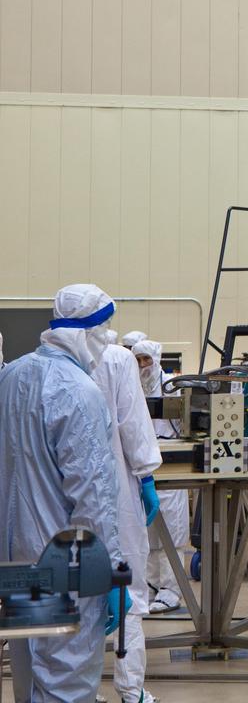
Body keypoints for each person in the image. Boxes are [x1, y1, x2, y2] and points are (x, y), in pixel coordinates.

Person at [0, 284, 125, 700]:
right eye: (104, 329)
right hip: (66, 567)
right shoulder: (78, 391)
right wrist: (106, 572)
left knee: (30, 676)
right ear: (84, 332)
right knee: (65, 681)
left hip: (20, 564)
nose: (107, 340)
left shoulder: (12, 376)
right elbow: (92, 498)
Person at [95, 324, 163, 703]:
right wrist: (147, 476)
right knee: (129, 593)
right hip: (118, 487)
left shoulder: (46, 364)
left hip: (63, 494)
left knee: (78, 588)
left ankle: (79, 689)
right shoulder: (117, 358)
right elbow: (134, 426)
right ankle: (131, 690)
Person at [135, 338, 191, 614]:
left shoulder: (174, 387)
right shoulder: (132, 386)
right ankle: (152, 586)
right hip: (143, 468)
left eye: (146, 359)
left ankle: (172, 589)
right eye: (138, 360)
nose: (142, 365)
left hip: (171, 465)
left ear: (156, 358)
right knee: (147, 533)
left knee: (172, 531)